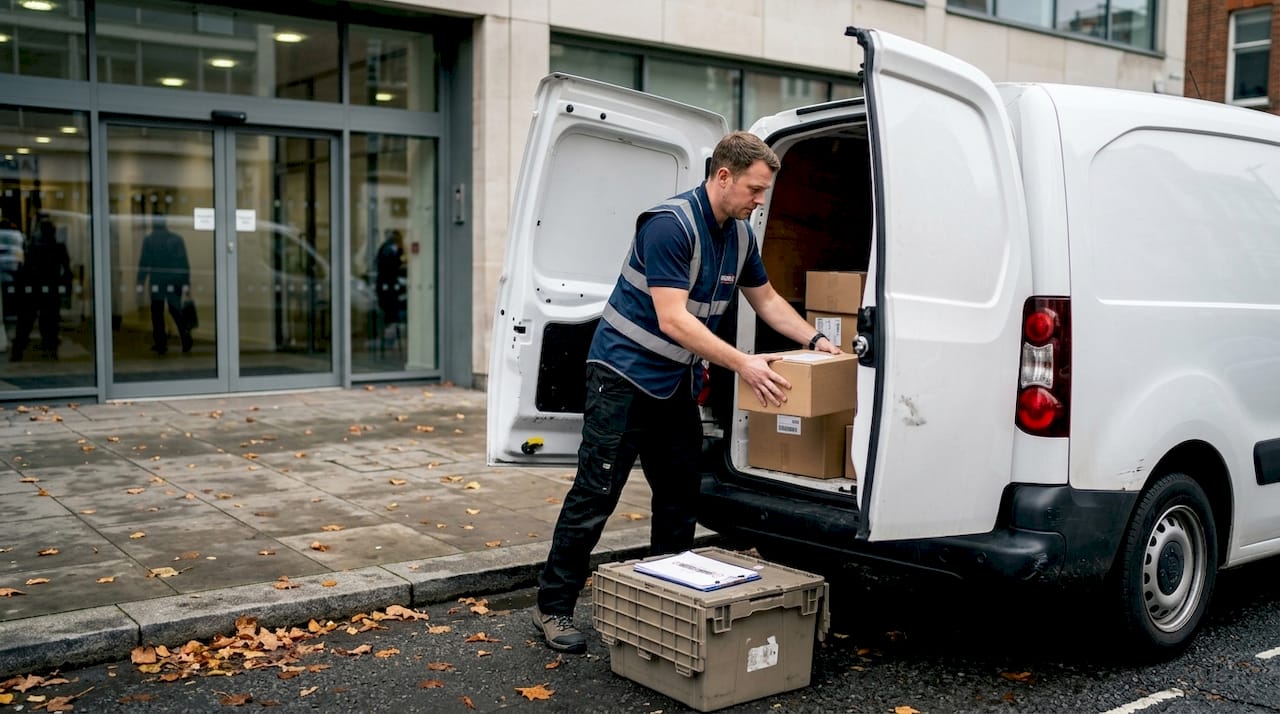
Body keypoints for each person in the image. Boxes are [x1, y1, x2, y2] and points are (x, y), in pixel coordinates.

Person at [531, 131, 841, 652]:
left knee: (679, 498)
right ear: (723, 176)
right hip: (620, 378)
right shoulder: (668, 226)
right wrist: (743, 362)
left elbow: (766, 302)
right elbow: (673, 319)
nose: (759, 201)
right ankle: (553, 609)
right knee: (594, 498)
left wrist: (816, 338)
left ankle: (665, 600)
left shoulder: (740, 236)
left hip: (670, 383)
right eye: (754, 189)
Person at [9, 217, 72, 362]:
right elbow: (66, 271)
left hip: (35, 288)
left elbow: (24, 269)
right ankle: (48, 349)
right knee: (47, 321)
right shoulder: (56, 248)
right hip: (47, 288)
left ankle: (20, 351)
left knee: (28, 321)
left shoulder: (35, 248)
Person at [135, 214, 192, 354]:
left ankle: (161, 343)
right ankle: (186, 337)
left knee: (157, 312)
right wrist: (186, 283)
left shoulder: (149, 240)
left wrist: (140, 282)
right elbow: (184, 263)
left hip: (157, 281)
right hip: (175, 280)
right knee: (176, 310)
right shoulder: (176, 239)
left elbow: (144, 262)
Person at [375, 229, 408, 326]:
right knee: (390, 311)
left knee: (390, 311)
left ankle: (391, 328)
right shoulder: (388, 249)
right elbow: (392, 264)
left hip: (388, 283)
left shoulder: (390, 248)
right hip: (388, 283)